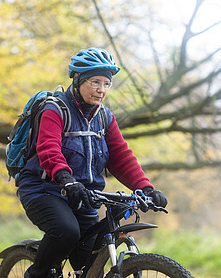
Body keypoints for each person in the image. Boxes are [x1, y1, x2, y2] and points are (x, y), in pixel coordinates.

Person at [17, 47, 168, 278]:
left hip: (85, 196)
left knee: (89, 267)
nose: (101, 90)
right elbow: (48, 150)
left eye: (107, 84)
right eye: (95, 82)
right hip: (44, 189)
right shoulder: (55, 110)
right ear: (77, 79)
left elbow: (121, 156)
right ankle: (36, 274)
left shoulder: (104, 117)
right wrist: (66, 180)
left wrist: (145, 187)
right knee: (66, 232)